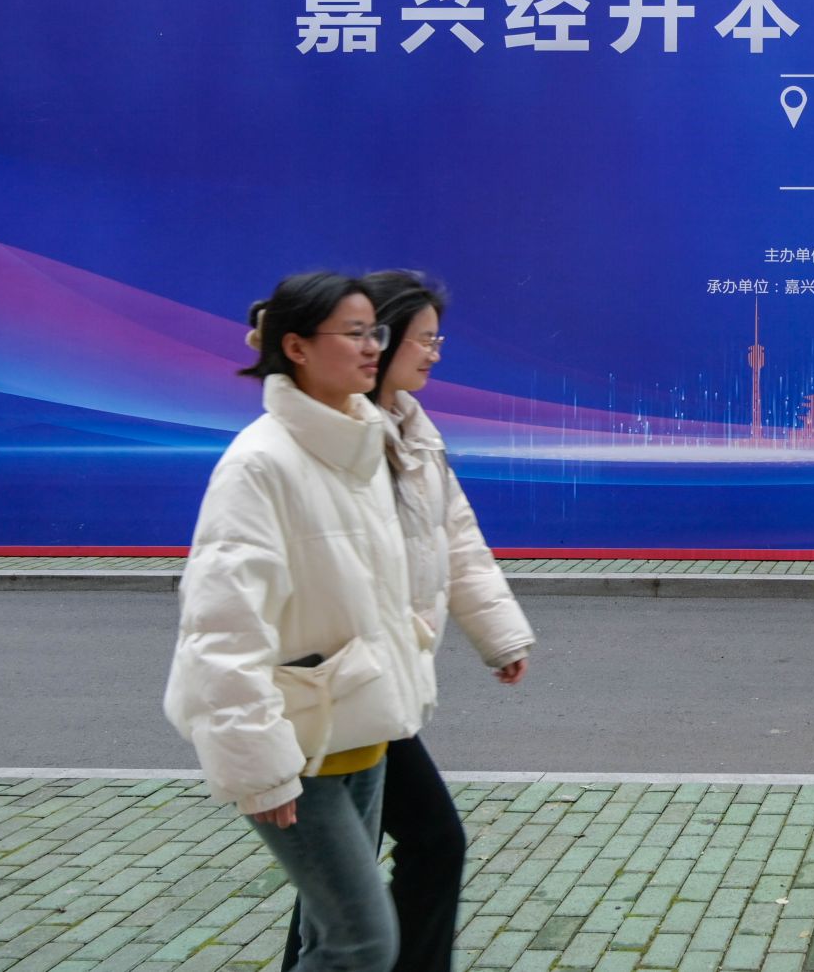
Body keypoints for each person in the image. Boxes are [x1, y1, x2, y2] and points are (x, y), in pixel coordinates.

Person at [164, 273, 433, 972]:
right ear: (296, 346)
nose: (373, 347)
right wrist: (261, 770)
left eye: (376, 331)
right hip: (295, 750)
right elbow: (221, 630)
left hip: (360, 736)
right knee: (361, 944)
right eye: (354, 333)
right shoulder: (259, 464)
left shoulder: (360, 447)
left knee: (333, 942)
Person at [280, 269, 536, 972]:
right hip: (339, 681)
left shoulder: (413, 431)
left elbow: (456, 539)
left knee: (345, 879)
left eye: (435, 340)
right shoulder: (334, 437)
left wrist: (500, 636)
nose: (433, 353)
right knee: (428, 845)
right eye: (422, 339)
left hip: (381, 681)